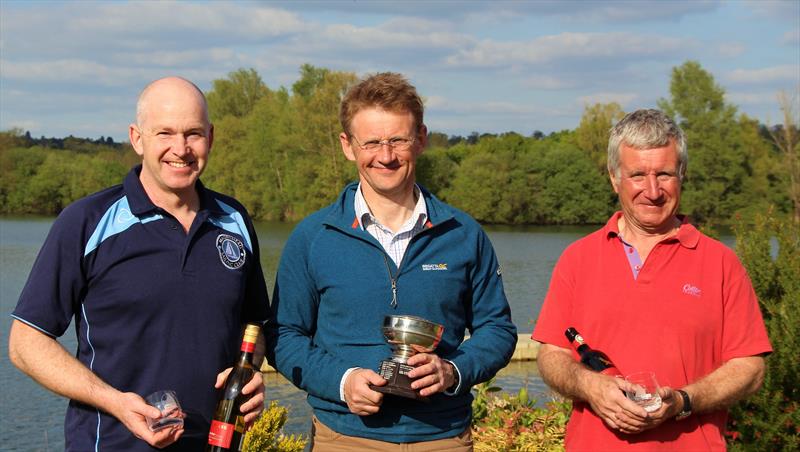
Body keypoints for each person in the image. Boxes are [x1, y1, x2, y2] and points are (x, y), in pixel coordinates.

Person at [8, 77, 269, 451]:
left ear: (210, 138)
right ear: (137, 138)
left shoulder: (234, 220)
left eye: (193, 133)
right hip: (112, 443)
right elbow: (26, 342)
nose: (180, 148)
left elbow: (254, 326)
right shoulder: (87, 221)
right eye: (165, 133)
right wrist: (116, 402)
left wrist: (249, 374)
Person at [268, 72, 517, 450]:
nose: (385, 156)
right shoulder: (313, 237)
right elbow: (284, 335)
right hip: (344, 438)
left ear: (421, 139)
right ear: (348, 146)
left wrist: (452, 370)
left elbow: (497, 329)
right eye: (371, 142)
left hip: (443, 438)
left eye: (398, 140)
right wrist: (342, 380)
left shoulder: (463, 234)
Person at [532, 109, 772, 451]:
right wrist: (590, 386)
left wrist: (684, 401)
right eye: (638, 175)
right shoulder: (578, 258)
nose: (653, 190)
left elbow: (751, 369)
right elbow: (552, 355)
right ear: (615, 178)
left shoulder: (721, 262)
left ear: (682, 175)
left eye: (664, 174)